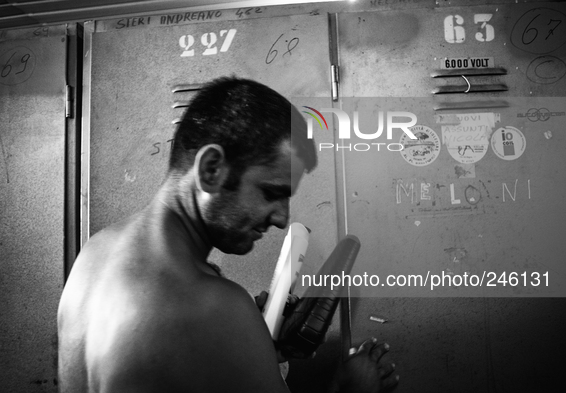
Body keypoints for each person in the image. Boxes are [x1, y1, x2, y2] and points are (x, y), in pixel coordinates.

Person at [57, 77, 399, 392]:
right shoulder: (214, 308)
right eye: (270, 192)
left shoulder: (94, 254)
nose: (282, 219)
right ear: (211, 170)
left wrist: (264, 349)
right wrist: (349, 389)